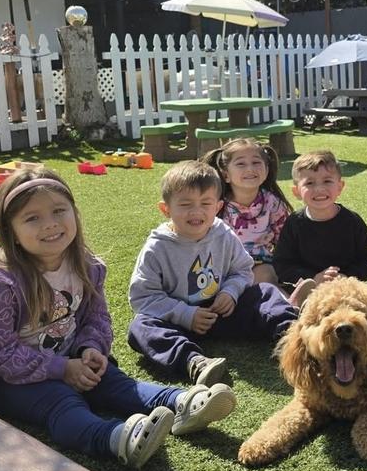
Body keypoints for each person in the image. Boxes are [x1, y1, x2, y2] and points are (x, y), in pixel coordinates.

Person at [0, 168, 236, 469]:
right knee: (61, 400)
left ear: (74, 213)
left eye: (59, 210)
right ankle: (116, 439)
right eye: (32, 218)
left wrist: (90, 350)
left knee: (115, 383)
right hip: (7, 381)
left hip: (72, 357)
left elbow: (97, 318)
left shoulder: (86, 266)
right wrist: (61, 369)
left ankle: (182, 402)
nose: (50, 224)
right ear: (11, 231)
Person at [127, 160, 298, 386]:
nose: (196, 212)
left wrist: (230, 292)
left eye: (205, 203)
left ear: (217, 207)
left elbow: (242, 270)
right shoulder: (157, 247)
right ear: (166, 209)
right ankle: (194, 361)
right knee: (141, 326)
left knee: (265, 293)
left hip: (222, 311)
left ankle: (295, 337)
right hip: (179, 321)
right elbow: (142, 297)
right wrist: (185, 315)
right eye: (185, 204)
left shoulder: (222, 233)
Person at [272, 150, 367, 288]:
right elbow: (282, 265)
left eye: (327, 181)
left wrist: (347, 276)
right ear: (296, 191)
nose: (319, 189)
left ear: (340, 187)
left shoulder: (352, 222)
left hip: (346, 288)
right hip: (309, 289)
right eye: (310, 183)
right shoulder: (294, 223)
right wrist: (312, 277)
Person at [202, 138, 292, 286]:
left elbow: (285, 239)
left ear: (266, 170)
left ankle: (288, 304)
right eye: (241, 164)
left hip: (260, 264)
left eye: (256, 162)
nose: (250, 169)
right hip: (224, 267)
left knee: (264, 278)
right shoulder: (218, 205)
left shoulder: (272, 203)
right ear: (226, 175)